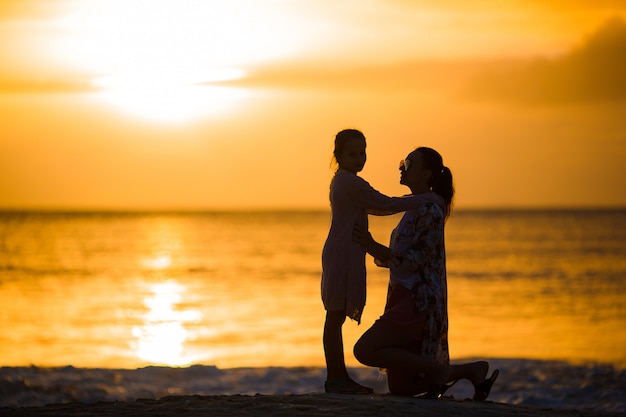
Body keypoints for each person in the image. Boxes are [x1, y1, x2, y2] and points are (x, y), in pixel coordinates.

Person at [352, 146, 498, 399]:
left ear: (427, 174)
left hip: (417, 301)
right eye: (403, 162)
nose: (402, 167)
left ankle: (439, 371)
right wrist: (373, 248)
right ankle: (469, 371)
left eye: (409, 164)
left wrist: (372, 246)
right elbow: (406, 259)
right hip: (402, 296)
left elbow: (418, 260)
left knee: (364, 350)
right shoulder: (414, 208)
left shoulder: (430, 210)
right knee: (402, 388)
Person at [321, 129, 444, 394]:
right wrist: (425, 198)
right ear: (338, 156)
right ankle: (336, 378)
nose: (359, 158)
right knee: (334, 317)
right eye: (352, 154)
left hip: (344, 250)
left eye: (362, 153)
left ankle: (338, 377)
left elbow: (380, 206)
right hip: (343, 252)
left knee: (336, 316)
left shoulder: (346, 181)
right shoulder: (350, 182)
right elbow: (385, 204)